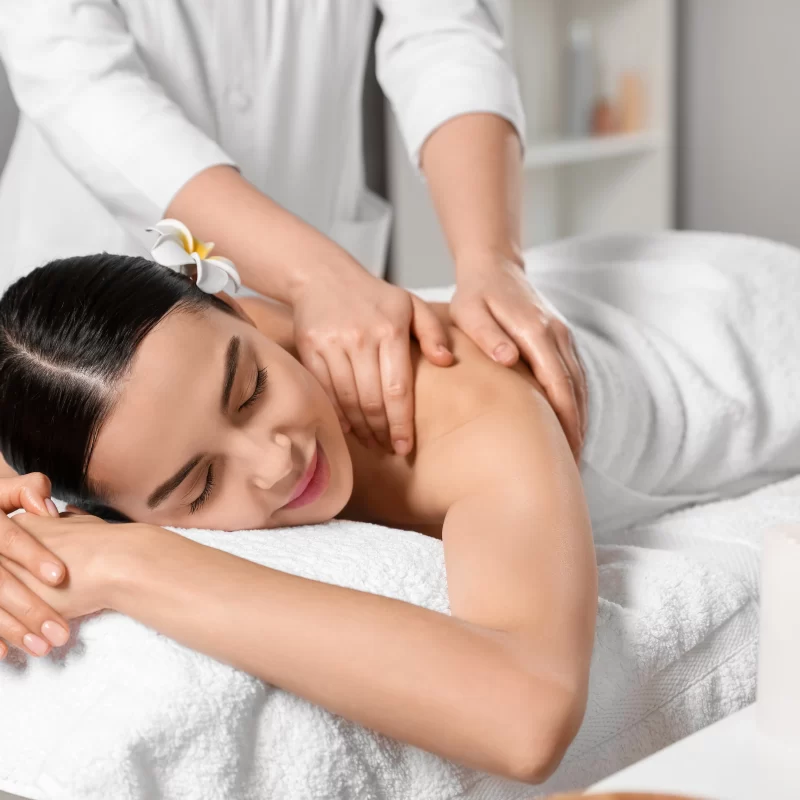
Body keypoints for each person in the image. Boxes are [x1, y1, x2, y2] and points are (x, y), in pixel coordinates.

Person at [2, 230, 800, 782]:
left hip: (736, 321)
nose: (277, 459)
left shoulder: (474, 409)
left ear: (238, 307)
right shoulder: (150, 397)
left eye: (250, 389)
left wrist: (131, 562)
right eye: (200, 486)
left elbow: (527, 718)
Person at [0, 0, 588, 469]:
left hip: (315, 280)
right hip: (83, 297)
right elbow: (80, 80)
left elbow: (446, 31)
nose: (275, 465)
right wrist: (312, 274)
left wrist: (492, 259)